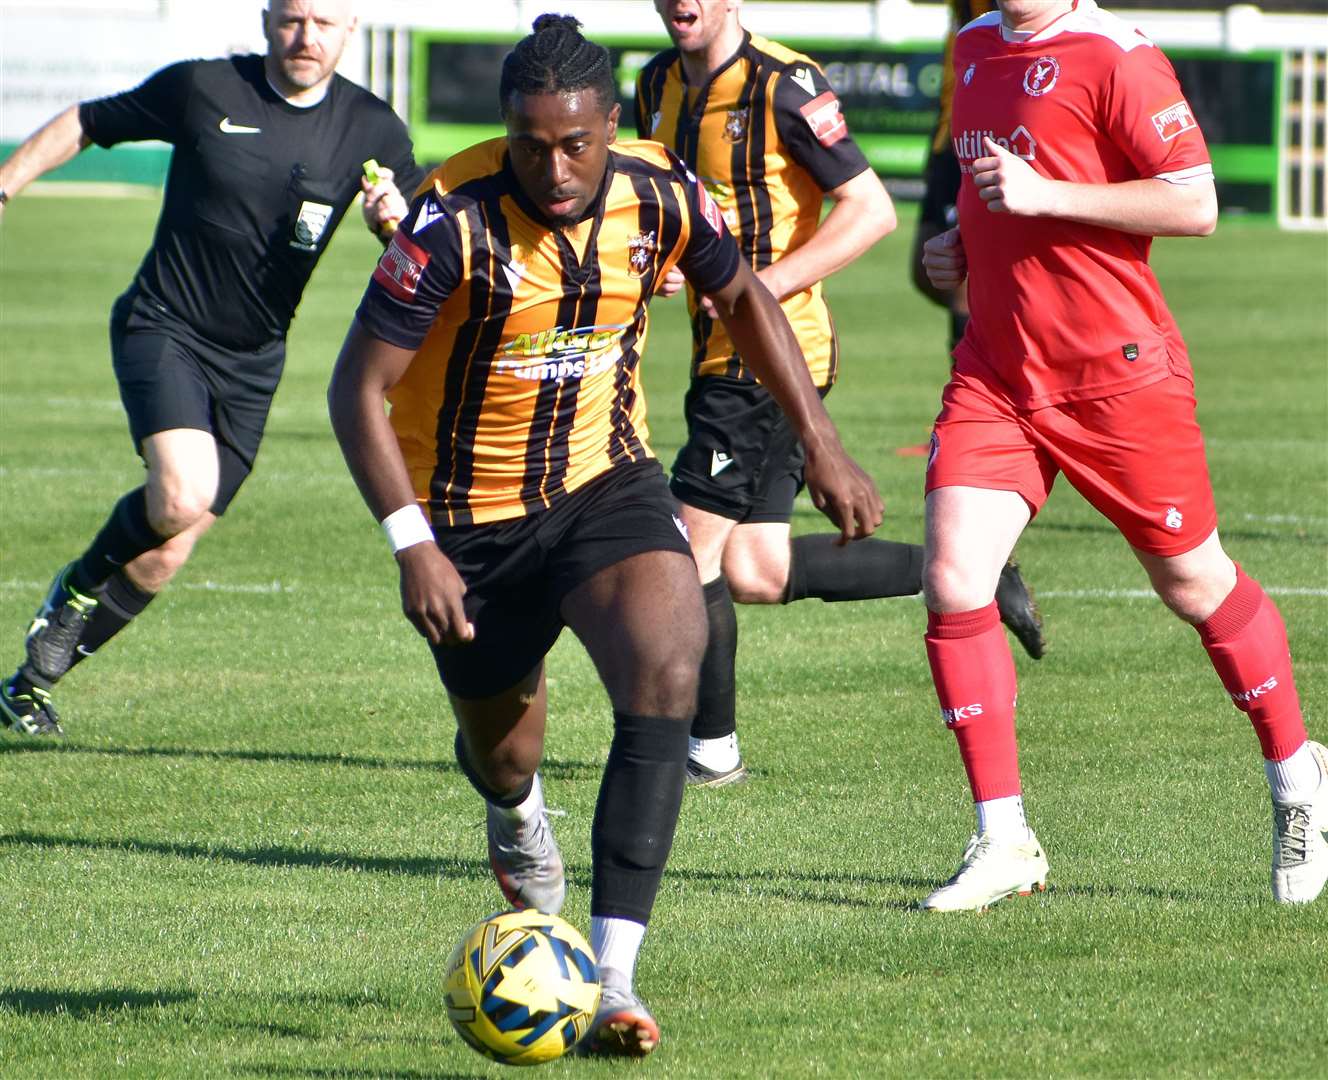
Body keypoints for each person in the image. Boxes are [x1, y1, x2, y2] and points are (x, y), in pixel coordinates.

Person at [326, 14, 882, 1056]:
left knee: (666, 671)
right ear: (506, 131)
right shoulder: (448, 222)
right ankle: (514, 816)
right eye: (532, 144)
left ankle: (614, 979)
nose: (556, 166)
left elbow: (744, 296)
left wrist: (819, 439)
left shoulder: (659, 188)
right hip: (466, 524)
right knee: (505, 753)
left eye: (575, 142)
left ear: (607, 126)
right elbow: (356, 390)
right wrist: (411, 542)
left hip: (602, 486)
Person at [918, 0, 1326, 911]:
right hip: (998, 370)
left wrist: (1043, 196)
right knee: (953, 577)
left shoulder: (1119, 56)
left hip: (1117, 374)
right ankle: (1003, 837)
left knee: (1193, 584)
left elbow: (1197, 203)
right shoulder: (974, 47)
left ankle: (1298, 777)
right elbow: (990, 203)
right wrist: (958, 249)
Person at [637, 0, 1045, 787]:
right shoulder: (657, 84)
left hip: (771, 358)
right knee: (752, 566)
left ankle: (709, 753)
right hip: (717, 352)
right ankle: (980, 576)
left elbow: (872, 209)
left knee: (688, 554)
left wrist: (760, 289)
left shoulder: (785, 85)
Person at [0, 0, 419, 737]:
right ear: (265, 20)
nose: (306, 37)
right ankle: (77, 588)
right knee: (181, 494)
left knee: (166, 556)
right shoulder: (204, 88)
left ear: (350, 29)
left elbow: (414, 226)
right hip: (163, 326)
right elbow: (88, 122)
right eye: (292, 19)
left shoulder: (371, 128)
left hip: (254, 364)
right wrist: (6, 185)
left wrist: (392, 218)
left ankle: (30, 683)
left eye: (325, 23)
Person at [909, 0, 996, 370]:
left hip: (983, 136)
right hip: (950, 135)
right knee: (926, 270)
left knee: (964, 274)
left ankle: (973, 388)